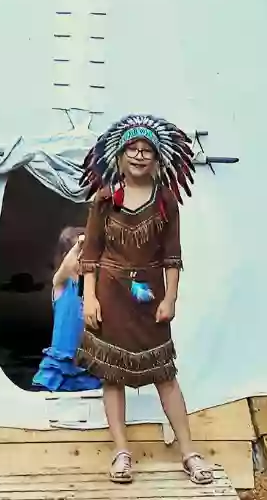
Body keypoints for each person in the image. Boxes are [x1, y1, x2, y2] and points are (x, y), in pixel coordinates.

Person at [74, 114, 212, 485]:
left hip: (150, 298)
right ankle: (121, 453)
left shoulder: (166, 200)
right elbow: (90, 253)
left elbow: (172, 255)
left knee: (165, 376)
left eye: (146, 150)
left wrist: (171, 298)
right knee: (112, 376)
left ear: (156, 159)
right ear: (119, 157)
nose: (138, 155)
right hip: (109, 294)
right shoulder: (105, 199)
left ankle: (189, 452)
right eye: (132, 149)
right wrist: (89, 298)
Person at [30, 226, 102, 393]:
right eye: (80, 255)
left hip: (85, 365)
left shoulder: (93, 292)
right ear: (65, 257)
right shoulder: (61, 284)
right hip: (57, 364)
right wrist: (80, 245)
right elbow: (66, 267)